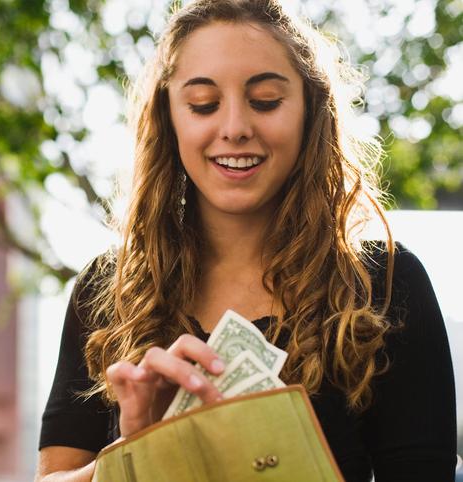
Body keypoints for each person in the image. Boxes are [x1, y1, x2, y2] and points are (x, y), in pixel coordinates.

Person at [35, 0, 457, 481]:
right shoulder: (108, 290)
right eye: (203, 105)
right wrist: (136, 452)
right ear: (169, 118)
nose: (235, 128)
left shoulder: (385, 285)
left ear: (310, 111)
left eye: (265, 101)